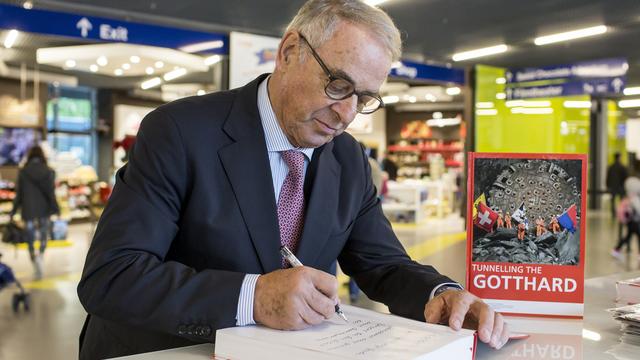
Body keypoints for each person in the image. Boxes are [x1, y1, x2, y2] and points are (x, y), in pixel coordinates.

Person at [77, 1, 509, 358]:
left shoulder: (349, 160)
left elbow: (383, 264)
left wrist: (440, 293)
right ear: (288, 52)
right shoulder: (180, 132)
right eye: (338, 85)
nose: (346, 115)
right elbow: (113, 276)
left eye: (364, 98)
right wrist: (253, 296)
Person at [10, 145, 59, 279]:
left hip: (28, 209)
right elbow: (50, 193)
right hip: (44, 209)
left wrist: (13, 211)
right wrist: (56, 208)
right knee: (43, 234)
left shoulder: (23, 172)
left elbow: (19, 194)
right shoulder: (49, 171)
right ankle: (41, 254)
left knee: (30, 237)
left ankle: (33, 257)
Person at [611, 177, 640, 259]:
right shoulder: (634, 199)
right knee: (633, 236)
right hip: (635, 222)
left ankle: (616, 249)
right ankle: (616, 250)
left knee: (628, 237)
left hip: (630, 222)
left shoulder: (628, 197)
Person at [606, 152, 628, 218]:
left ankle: (613, 213)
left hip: (613, 186)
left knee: (613, 200)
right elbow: (625, 177)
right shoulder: (622, 167)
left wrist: (607, 185)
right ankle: (621, 213)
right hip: (621, 186)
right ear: (619, 157)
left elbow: (608, 177)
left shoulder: (611, 167)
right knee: (621, 200)